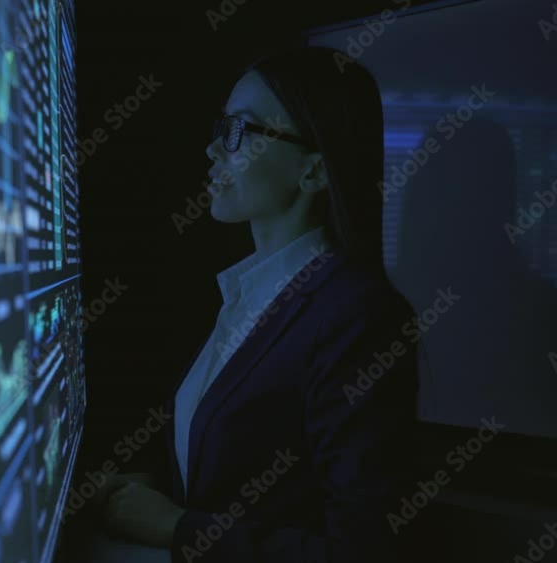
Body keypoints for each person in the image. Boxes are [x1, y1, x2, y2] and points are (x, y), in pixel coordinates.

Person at [95, 45, 420, 563]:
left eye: (240, 130)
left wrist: (178, 527)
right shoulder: (248, 292)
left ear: (314, 170)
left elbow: (362, 549)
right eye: (220, 126)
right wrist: (146, 487)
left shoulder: (359, 315)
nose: (212, 150)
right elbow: (250, 475)